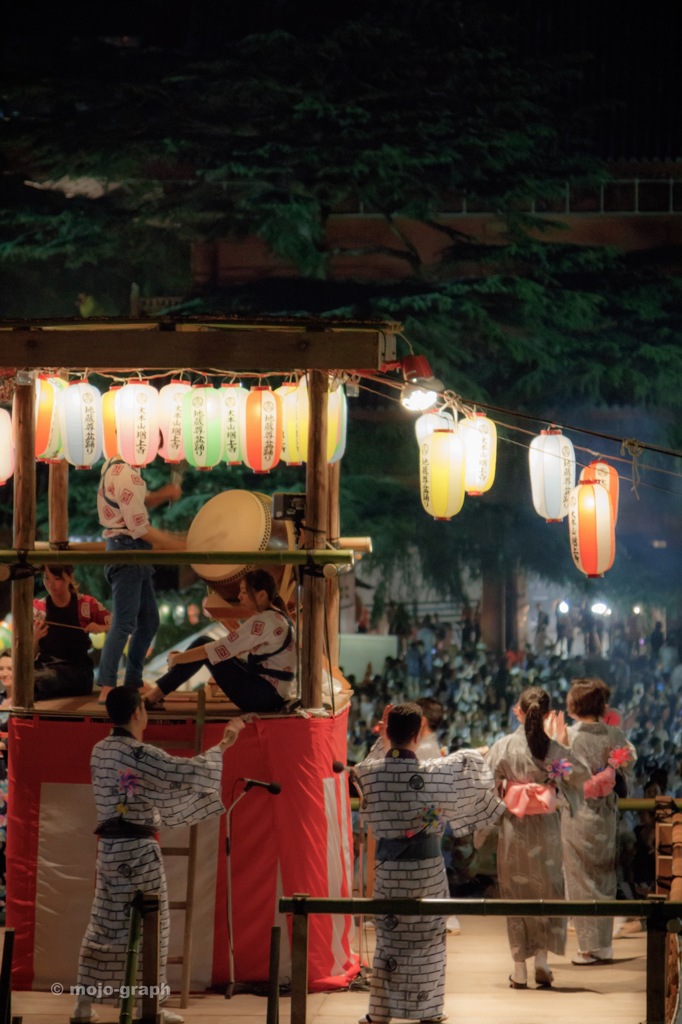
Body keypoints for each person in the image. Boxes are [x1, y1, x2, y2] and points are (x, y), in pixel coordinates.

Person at [72, 686, 252, 1024]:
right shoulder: (141, 754)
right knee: (155, 927)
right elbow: (190, 772)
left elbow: (134, 790)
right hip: (139, 853)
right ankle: (147, 1006)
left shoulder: (100, 751)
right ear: (138, 713)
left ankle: (82, 1005)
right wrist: (226, 741)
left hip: (109, 851)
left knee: (102, 926)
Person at [353, 702, 503, 1024]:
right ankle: (429, 1010)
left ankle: (380, 1013)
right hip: (427, 871)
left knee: (389, 939)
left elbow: (365, 764)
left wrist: (381, 739)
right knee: (430, 940)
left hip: (389, 872)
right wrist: (477, 749)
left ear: (386, 732)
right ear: (420, 732)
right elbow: (468, 763)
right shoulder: (435, 773)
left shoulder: (369, 774)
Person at [486, 686, 589, 990]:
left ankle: (519, 969)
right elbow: (579, 779)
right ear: (546, 715)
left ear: (518, 711)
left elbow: (484, 784)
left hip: (514, 828)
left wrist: (505, 789)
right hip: (546, 828)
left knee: (516, 894)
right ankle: (542, 960)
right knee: (548, 890)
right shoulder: (556, 750)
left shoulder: (503, 746)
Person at [96, 455, 185, 703]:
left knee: (148, 621)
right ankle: (106, 685)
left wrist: (164, 494)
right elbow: (140, 529)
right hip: (128, 549)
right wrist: (179, 544)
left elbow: (138, 502)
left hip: (131, 549)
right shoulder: (124, 473)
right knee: (124, 623)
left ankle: (133, 678)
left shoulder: (119, 468)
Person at [144, 569, 296, 713]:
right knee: (205, 646)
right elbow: (236, 650)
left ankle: (151, 698)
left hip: (263, 696)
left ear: (261, 595)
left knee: (203, 643)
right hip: (270, 694)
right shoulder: (277, 617)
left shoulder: (264, 621)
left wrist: (177, 658)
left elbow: (215, 649)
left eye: (244, 592)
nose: (239, 597)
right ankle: (154, 696)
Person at [561, 677, 637, 965]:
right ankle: (604, 946)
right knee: (604, 876)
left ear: (573, 705)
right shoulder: (614, 734)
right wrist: (608, 770)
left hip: (577, 812)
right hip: (605, 813)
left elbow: (559, 773)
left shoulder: (569, 736)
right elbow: (627, 761)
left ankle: (587, 948)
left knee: (580, 878)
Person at [415, 696, 461, 936]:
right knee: (432, 865)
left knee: (430, 865)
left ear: (421, 721)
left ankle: (444, 914)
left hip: (427, 814)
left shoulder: (423, 749)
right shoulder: (428, 746)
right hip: (433, 813)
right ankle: (441, 914)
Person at [31, 565, 111, 700]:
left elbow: (116, 624)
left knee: (43, 679)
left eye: (57, 578)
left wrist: (101, 627)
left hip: (77, 672)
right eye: (46, 578)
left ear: (70, 577)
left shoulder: (86, 604)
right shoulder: (38, 609)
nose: (51, 584)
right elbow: (29, 655)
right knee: (24, 677)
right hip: (45, 669)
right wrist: (35, 638)